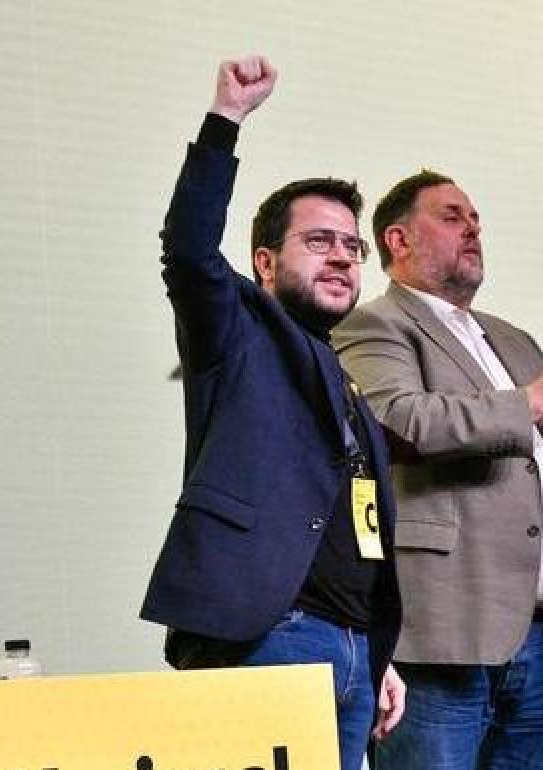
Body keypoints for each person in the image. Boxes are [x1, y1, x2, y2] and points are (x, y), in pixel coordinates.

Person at [333, 170, 543, 770]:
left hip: (533, 640)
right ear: (397, 241)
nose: (473, 227)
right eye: (452, 215)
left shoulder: (512, 339)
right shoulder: (373, 325)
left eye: (476, 217)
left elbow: (537, 467)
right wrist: (538, 398)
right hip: (440, 640)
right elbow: (400, 423)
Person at [138, 56, 403, 770]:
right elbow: (188, 251)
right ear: (263, 262)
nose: (344, 258)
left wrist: (380, 653)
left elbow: (358, 526)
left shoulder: (344, 382)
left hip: (355, 653)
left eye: (353, 247)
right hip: (272, 636)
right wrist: (226, 117)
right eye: (319, 242)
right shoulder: (237, 331)